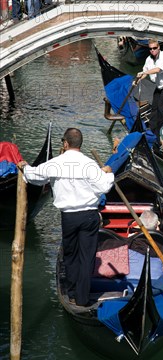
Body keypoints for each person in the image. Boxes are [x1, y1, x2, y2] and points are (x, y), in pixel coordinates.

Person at [18, 128, 114, 307]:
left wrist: (24, 167)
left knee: (70, 255)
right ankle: (83, 298)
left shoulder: (55, 163)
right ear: (80, 144)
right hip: (90, 216)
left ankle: (70, 295)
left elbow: (33, 176)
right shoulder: (89, 164)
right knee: (87, 257)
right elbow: (105, 186)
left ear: (65, 143)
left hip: (69, 217)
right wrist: (108, 172)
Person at [136, 40, 163, 137]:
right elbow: (145, 71)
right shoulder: (149, 59)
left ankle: (162, 130)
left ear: (158, 48)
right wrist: (138, 80)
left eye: (154, 48)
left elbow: (158, 69)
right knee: (154, 108)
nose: (152, 50)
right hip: (159, 86)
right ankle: (152, 129)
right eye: (150, 48)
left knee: (161, 108)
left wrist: (145, 73)